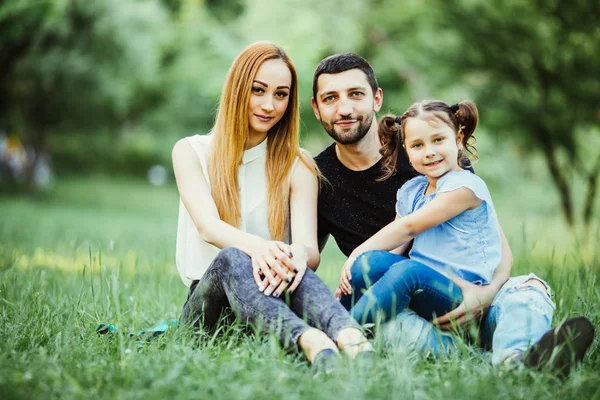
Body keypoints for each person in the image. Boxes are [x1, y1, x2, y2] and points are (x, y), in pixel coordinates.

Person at [311, 53, 594, 374]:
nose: (345, 108)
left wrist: (484, 296)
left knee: (528, 290)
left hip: (473, 294)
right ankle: (508, 367)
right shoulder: (320, 177)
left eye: (356, 94)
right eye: (331, 98)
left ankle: (516, 352)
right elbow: (388, 244)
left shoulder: (435, 154)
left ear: (377, 99)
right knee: (390, 330)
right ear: (316, 108)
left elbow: (496, 246)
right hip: (403, 312)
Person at [172, 42, 371, 368]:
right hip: (208, 314)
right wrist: (264, 250)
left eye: (281, 94)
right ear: (238, 90)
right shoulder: (191, 152)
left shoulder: (299, 163)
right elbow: (208, 227)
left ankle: (352, 339)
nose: (269, 105)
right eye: (258, 90)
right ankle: (309, 340)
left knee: (293, 260)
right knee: (233, 256)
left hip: (274, 298)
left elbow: (310, 250)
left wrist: (294, 254)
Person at [337, 99, 502, 327]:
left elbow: (408, 228)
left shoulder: (465, 187)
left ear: (458, 140)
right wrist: (359, 266)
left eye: (438, 140)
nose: (429, 152)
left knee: (406, 271)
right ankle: (334, 319)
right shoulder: (412, 191)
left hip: (461, 291)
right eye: (418, 145)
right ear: (406, 150)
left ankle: (342, 334)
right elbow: (394, 250)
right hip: (424, 285)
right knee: (370, 261)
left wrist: (357, 251)